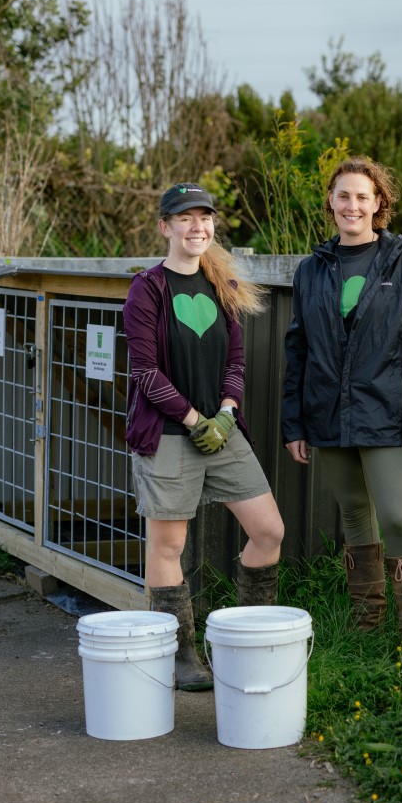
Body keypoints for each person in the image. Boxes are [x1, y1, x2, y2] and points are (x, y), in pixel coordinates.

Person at [124, 182, 285, 691]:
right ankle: (181, 656)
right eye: (186, 218)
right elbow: (145, 373)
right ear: (165, 227)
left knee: (269, 532)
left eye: (205, 218)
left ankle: (244, 641)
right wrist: (197, 421)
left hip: (222, 426)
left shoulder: (223, 287)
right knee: (169, 543)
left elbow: (235, 363)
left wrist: (227, 411)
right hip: (170, 432)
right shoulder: (147, 289)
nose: (198, 227)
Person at [281, 157, 402, 656]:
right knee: (353, 513)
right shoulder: (311, 269)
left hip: (385, 412)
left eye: (363, 197)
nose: (353, 205)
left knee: (395, 517)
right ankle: (366, 621)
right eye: (344, 196)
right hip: (326, 413)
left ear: (379, 205)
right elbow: (298, 348)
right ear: (330, 203)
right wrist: (294, 422)